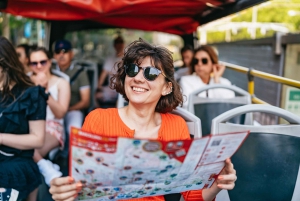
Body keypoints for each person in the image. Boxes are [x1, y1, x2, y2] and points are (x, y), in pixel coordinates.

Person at [49, 39, 237, 201]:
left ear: (166, 88)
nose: (138, 78)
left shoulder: (176, 126)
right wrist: (66, 193)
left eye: (151, 73)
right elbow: (82, 187)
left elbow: (190, 194)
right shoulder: (98, 119)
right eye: (133, 70)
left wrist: (217, 185)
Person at [0, 36, 47, 200]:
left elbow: (38, 139)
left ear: (4, 64)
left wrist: (1, 138)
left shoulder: (31, 94)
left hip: (16, 162)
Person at [29, 47, 71, 186]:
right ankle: (44, 166)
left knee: (28, 148)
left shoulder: (62, 82)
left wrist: (45, 90)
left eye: (43, 62)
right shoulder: (25, 81)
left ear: (50, 62)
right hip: (28, 125)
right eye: (34, 63)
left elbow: (60, 113)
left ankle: (46, 170)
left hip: (52, 127)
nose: (39, 66)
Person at [53, 39, 90, 134]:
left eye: (65, 51)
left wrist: (66, 110)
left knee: (74, 129)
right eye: (58, 52)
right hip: (52, 110)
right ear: (54, 55)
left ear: (71, 54)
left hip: (73, 110)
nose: (61, 55)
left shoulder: (80, 72)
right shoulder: (50, 71)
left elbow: (85, 101)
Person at [96, 35, 125, 107]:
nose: (119, 44)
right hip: (111, 88)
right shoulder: (110, 59)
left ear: (124, 44)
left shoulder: (127, 59)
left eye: (121, 42)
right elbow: (103, 74)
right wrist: (98, 87)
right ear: (114, 45)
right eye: (117, 42)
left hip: (123, 89)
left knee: (120, 99)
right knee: (97, 96)